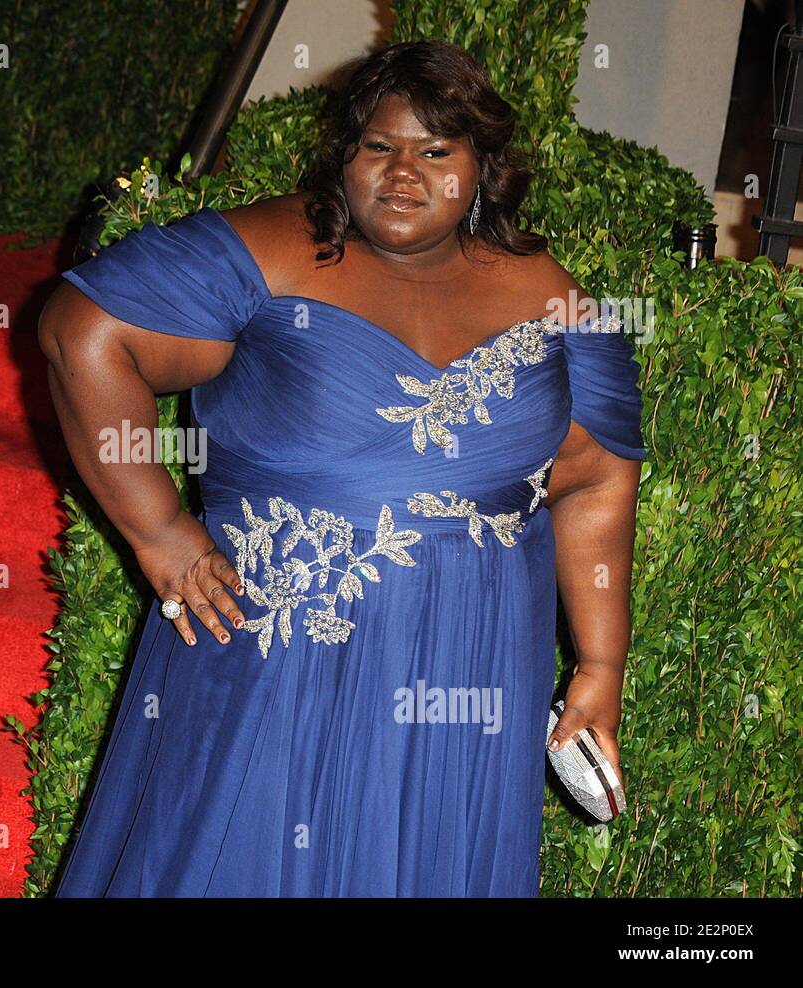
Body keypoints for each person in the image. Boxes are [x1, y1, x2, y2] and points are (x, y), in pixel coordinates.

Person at [36, 39, 645, 897]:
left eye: (437, 151)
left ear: (483, 169)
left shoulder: (552, 293)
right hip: (280, 659)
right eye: (378, 147)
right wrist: (160, 533)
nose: (403, 173)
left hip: (470, 666)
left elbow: (596, 479)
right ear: (344, 156)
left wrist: (599, 668)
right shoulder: (272, 247)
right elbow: (84, 335)